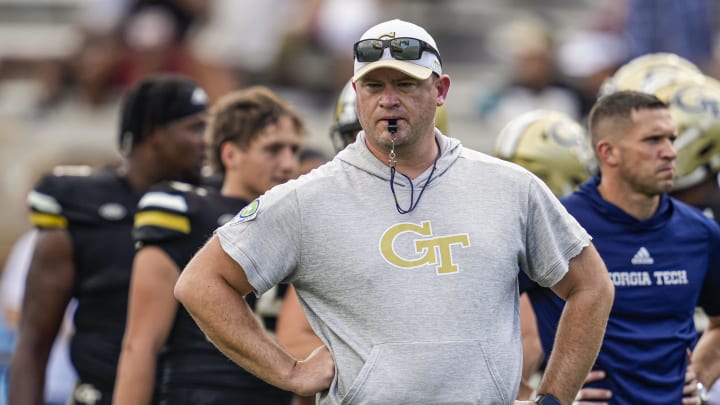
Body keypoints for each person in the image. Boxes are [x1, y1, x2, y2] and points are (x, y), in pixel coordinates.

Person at [174, 19, 615, 405]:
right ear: (355, 92)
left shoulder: (509, 187)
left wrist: (554, 398)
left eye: (405, 84)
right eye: (374, 86)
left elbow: (591, 285)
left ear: (440, 90)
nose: (388, 99)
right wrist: (289, 372)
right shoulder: (308, 199)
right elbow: (201, 283)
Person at [8, 73, 209, 405]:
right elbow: (33, 342)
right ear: (154, 134)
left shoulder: (211, 205)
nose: (206, 140)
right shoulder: (80, 208)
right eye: (195, 127)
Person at [523, 90, 720, 404]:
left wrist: (700, 383)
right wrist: (546, 395)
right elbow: (486, 316)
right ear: (608, 152)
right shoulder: (556, 223)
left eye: (672, 138)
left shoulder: (700, 231)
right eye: (653, 140)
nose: (671, 151)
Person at [112, 86, 302, 405]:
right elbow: (141, 343)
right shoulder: (185, 210)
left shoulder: (297, 221)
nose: (287, 163)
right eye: (273, 149)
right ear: (230, 154)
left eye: (294, 150)